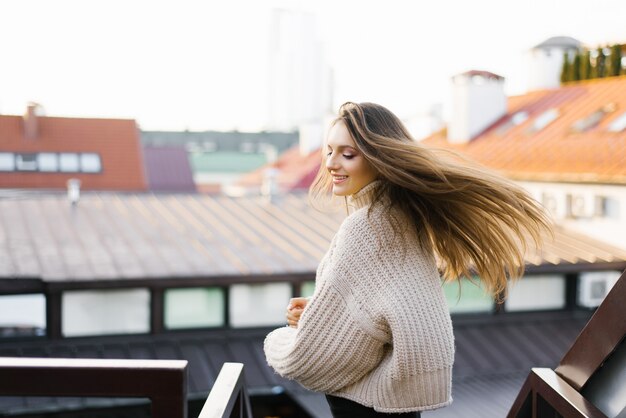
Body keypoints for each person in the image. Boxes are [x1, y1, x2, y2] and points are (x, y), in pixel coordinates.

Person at [264, 102, 551, 417]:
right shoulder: (400, 218)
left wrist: (280, 340)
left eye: (348, 154)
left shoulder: (367, 226)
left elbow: (314, 363)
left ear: (379, 158)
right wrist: (322, 312)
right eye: (329, 151)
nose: (332, 163)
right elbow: (381, 316)